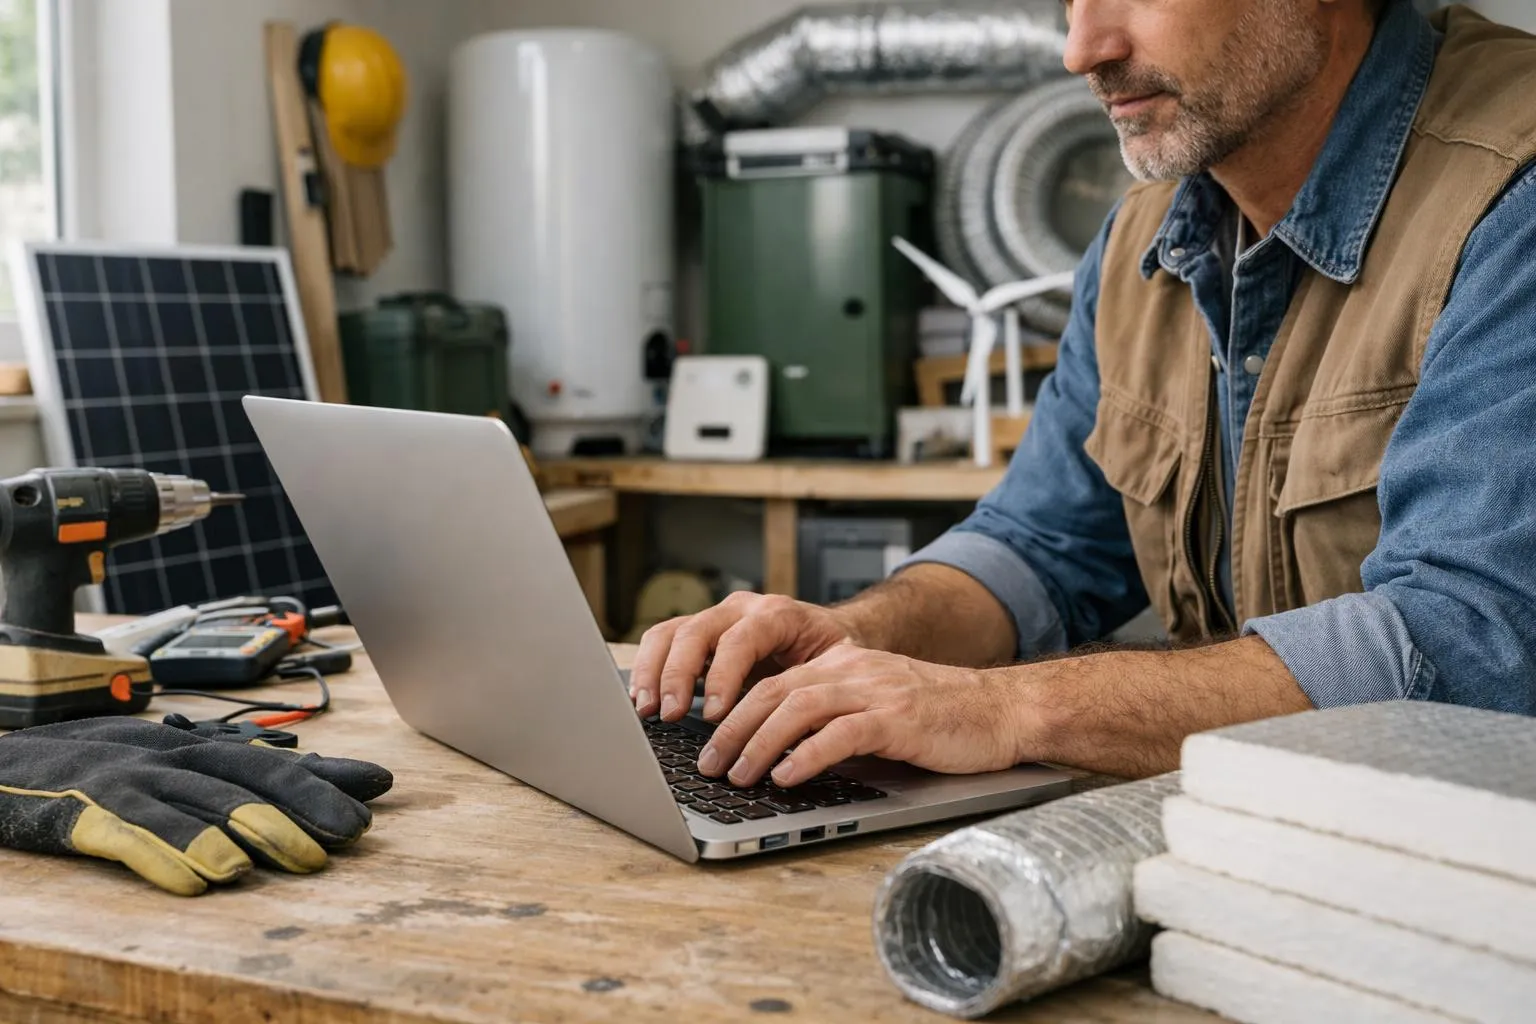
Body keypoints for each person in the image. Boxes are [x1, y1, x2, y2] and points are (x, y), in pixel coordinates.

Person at [630, 0, 1536, 787]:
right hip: (1262, 834)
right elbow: (1043, 544)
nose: (1082, 49)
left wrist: (1003, 709)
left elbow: (1469, 647)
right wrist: (855, 636)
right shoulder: (1142, 236)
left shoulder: (1512, 195)